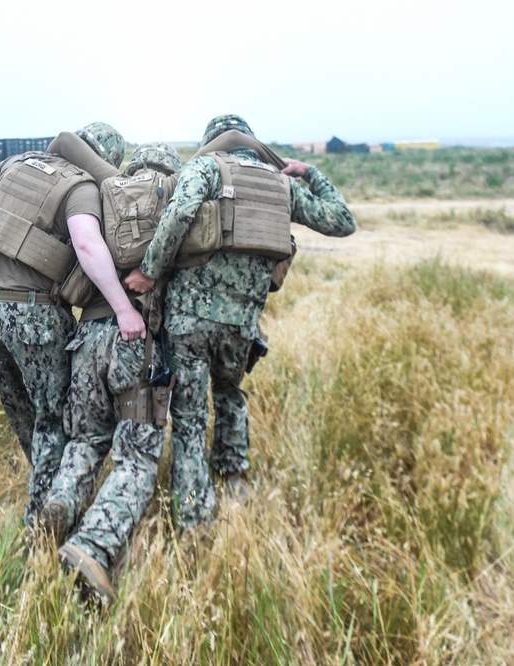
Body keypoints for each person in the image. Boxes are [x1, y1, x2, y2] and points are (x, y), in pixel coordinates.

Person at [36, 130, 290, 602]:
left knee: (86, 438)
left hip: (86, 340)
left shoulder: (105, 190)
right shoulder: (178, 194)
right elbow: (228, 140)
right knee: (136, 457)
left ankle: (57, 504)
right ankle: (92, 546)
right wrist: (275, 161)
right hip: (135, 345)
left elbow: (66, 142)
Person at [124, 114, 357, 529]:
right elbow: (342, 221)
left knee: (191, 417)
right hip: (242, 322)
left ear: (214, 141)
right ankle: (234, 482)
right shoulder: (282, 184)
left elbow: (178, 215)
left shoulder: (208, 167)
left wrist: (150, 271)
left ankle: (194, 517)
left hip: (190, 320)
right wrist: (311, 173)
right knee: (230, 394)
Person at [0, 121, 145, 525]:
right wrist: (124, 309)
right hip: (33, 315)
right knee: (53, 419)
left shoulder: (16, 162)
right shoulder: (80, 187)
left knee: (21, 410)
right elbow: (86, 244)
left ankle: (45, 484)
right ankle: (43, 519)